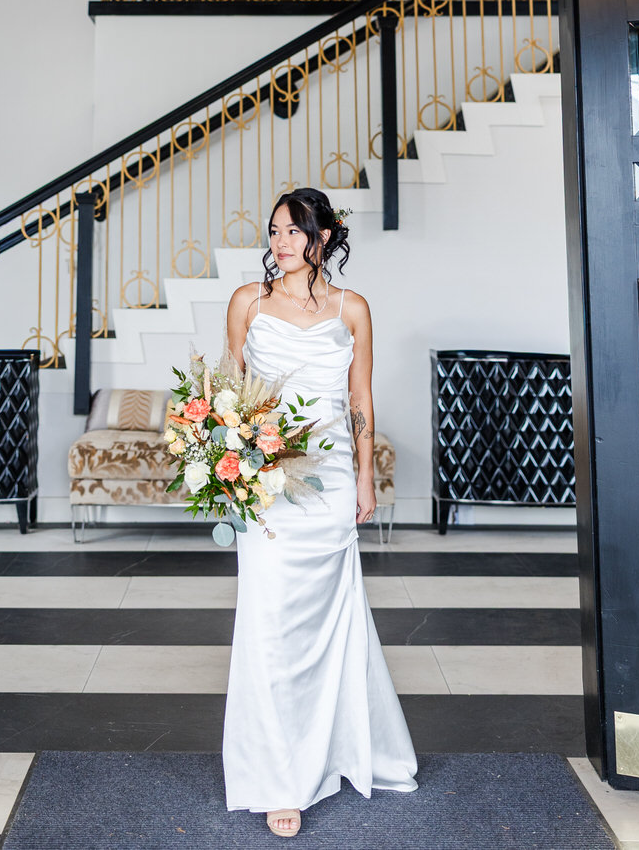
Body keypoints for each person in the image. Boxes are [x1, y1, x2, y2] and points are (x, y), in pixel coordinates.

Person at [222, 187, 418, 838]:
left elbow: (360, 400)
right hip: (270, 483)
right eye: (273, 230)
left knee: (331, 622)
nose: (280, 242)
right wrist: (233, 460)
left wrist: (364, 480)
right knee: (269, 624)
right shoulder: (247, 302)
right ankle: (279, 775)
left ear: (324, 238)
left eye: (293, 231)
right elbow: (229, 391)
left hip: (331, 482)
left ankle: (338, 748)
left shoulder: (353, 309)